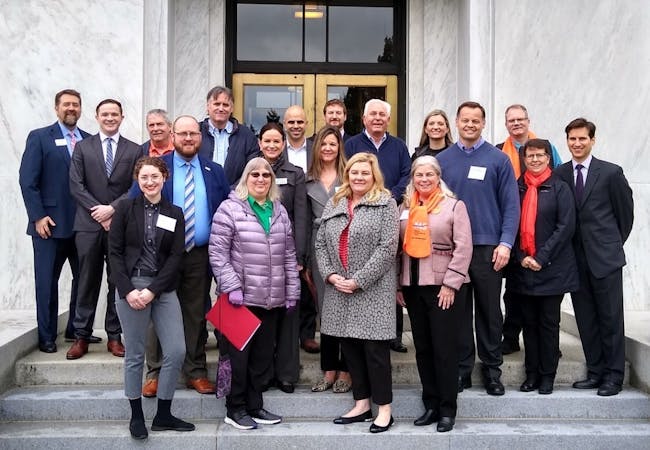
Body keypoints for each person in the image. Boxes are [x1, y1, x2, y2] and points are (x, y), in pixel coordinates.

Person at [136, 115, 231, 397]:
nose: (188, 138)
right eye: (183, 134)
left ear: (201, 137)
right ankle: (154, 372)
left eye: (193, 134)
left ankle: (195, 371)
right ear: (173, 136)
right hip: (161, 254)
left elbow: (225, 209)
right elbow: (135, 203)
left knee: (195, 313)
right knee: (157, 311)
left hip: (199, 254)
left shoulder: (214, 170)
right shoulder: (158, 168)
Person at [209, 157, 300, 430]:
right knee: (238, 358)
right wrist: (231, 286)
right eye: (255, 175)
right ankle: (234, 408)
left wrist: (292, 290)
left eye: (266, 175)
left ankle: (254, 404)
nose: (261, 179)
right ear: (245, 179)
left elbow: (289, 254)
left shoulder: (279, 211)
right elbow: (218, 254)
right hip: (239, 300)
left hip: (270, 299)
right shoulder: (229, 210)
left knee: (261, 358)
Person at [436, 101, 520, 396]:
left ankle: (491, 370)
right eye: (465, 120)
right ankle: (462, 370)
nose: (470, 125)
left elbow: (511, 205)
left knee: (489, 311)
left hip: (487, 248)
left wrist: (506, 243)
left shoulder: (498, 160)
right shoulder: (443, 160)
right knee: (458, 312)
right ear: (456, 123)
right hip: (452, 249)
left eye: (476, 121)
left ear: (483, 124)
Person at [109, 157, 194, 440]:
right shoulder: (124, 209)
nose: (149, 182)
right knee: (135, 354)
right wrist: (128, 290)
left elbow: (175, 256)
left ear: (164, 178)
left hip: (162, 288)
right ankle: (136, 416)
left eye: (155, 177)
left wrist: (153, 290)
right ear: (137, 179)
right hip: (131, 286)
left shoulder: (175, 212)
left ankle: (163, 414)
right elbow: (115, 253)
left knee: (176, 350)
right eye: (144, 177)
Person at [315, 152, 399, 434]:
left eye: (365, 173)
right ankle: (362, 404)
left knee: (375, 352)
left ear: (374, 175)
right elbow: (320, 245)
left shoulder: (386, 203)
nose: (359, 177)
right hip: (339, 288)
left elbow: (387, 248)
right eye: (354, 172)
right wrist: (330, 275)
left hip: (371, 290)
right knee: (349, 350)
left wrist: (358, 280)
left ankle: (384, 409)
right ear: (347, 175)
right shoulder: (336, 202)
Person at [556, 118, 634, 397]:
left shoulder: (611, 173)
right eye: (572, 139)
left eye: (582, 139)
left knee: (611, 318)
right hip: (574, 261)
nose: (577, 144)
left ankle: (614, 376)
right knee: (586, 319)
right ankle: (596, 371)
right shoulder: (561, 173)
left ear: (592, 140)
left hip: (605, 258)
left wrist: (610, 244)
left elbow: (625, 216)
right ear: (567, 141)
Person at [397, 155, 472, 432]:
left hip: (443, 289)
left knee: (444, 350)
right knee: (423, 350)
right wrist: (397, 284)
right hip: (413, 287)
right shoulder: (405, 207)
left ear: (438, 177)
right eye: (419, 175)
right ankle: (430, 404)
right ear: (413, 179)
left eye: (429, 175)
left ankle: (447, 409)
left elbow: (464, 248)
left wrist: (451, 284)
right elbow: (397, 248)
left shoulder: (454, 206)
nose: (424, 179)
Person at [18, 89, 96, 353]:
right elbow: (28, 182)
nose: (71, 108)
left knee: (84, 281)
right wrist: (38, 216)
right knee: (47, 282)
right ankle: (47, 335)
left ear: (81, 109)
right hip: (49, 225)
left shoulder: (88, 140)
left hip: (83, 226)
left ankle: (77, 329)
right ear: (56, 108)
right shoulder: (40, 137)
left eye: (75, 104)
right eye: (66, 105)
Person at [67, 99, 142, 360]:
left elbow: (135, 187)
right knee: (86, 280)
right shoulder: (82, 148)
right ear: (97, 117)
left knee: (117, 281)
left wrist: (112, 209)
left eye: (114, 114)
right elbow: (76, 186)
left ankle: (114, 335)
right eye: (105, 114)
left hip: (120, 225)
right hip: (88, 225)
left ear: (122, 117)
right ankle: (81, 335)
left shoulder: (134, 150)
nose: (110, 118)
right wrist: (99, 212)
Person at [505, 139, 578, 395]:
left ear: (549, 158)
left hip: (552, 269)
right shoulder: (517, 187)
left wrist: (541, 257)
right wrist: (522, 256)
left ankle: (548, 376)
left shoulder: (560, 187)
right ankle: (532, 374)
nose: (534, 160)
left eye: (540, 155)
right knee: (529, 324)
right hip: (523, 268)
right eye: (530, 156)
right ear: (523, 159)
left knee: (548, 324)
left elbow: (565, 227)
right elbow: (509, 223)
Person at [345, 98, 411, 353]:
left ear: (388, 119)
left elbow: (407, 174)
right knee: (363, 268)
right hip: (359, 213)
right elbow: (348, 174)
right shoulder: (352, 144)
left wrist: (390, 197)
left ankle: (393, 335)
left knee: (388, 270)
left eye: (382, 115)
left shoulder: (398, 146)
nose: (377, 118)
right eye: (372, 114)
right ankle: (361, 329)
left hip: (390, 210)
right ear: (363, 119)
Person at [497, 104, 563, 355]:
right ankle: (511, 337)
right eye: (511, 120)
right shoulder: (499, 152)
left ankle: (548, 345)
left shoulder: (546, 148)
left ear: (528, 120)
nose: (516, 124)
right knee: (513, 291)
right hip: (514, 228)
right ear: (506, 125)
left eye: (520, 119)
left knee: (546, 295)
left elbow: (559, 181)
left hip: (543, 227)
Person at [257, 121, 308, 393]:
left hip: (286, 255)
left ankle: (287, 374)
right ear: (260, 144)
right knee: (264, 317)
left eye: (277, 141)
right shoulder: (252, 171)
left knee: (289, 315)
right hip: (256, 258)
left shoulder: (296, 173)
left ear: (283, 144)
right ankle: (264, 374)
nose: (272, 145)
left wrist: (299, 256)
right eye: (268, 141)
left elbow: (301, 216)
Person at [305, 125, 351, 394]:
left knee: (347, 313)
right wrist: (305, 260)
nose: (328, 148)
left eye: (333, 144)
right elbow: (301, 218)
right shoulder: (306, 179)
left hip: (347, 247)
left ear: (339, 147)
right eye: (323, 144)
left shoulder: (350, 175)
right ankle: (329, 370)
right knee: (326, 313)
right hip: (318, 249)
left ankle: (347, 370)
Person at [282, 105, 320, 354]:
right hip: (284, 218)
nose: (295, 126)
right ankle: (286, 336)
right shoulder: (275, 149)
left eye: (300, 122)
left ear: (306, 124)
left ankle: (307, 334)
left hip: (312, 214)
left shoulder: (315, 151)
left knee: (306, 279)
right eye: (291, 122)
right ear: (285, 125)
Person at [198, 85, 259, 185]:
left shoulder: (246, 136)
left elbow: (251, 169)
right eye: (216, 104)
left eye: (225, 105)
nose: (221, 108)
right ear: (208, 107)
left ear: (232, 108)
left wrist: (233, 191)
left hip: (235, 196)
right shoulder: (196, 132)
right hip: (200, 193)